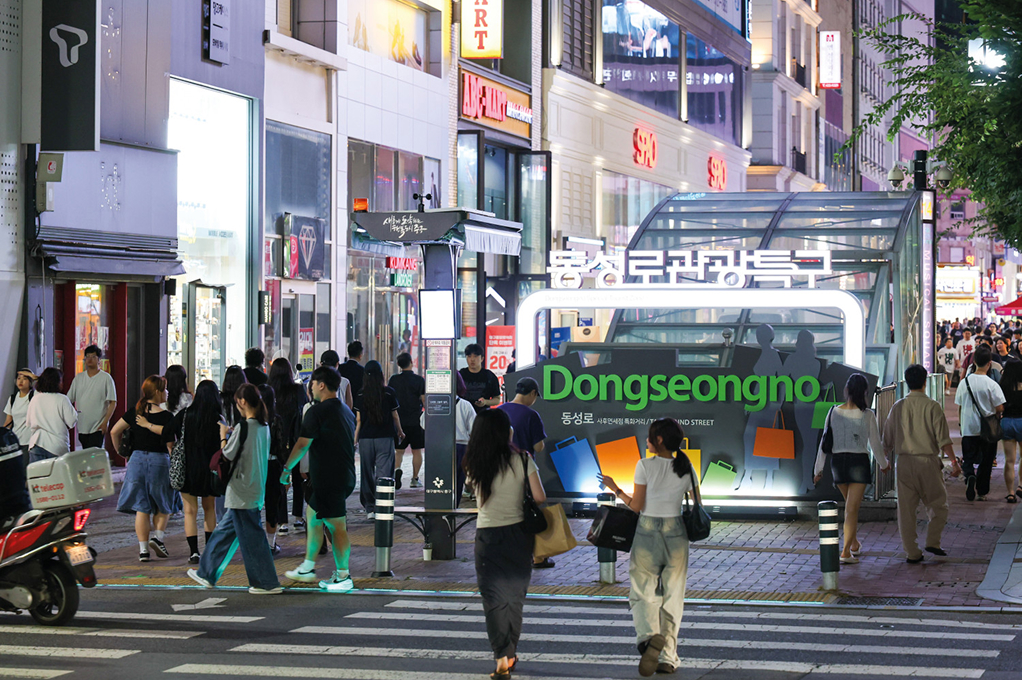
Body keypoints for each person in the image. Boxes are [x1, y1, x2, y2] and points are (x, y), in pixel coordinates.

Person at [597, 418, 697, 677]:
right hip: (677, 533)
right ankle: (667, 658)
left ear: (660, 440)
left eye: (650, 436)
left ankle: (648, 638)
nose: (646, 440)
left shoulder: (644, 466)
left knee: (642, 591)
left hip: (648, 531)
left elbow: (636, 506)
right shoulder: (687, 468)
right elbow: (698, 505)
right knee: (673, 597)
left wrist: (615, 488)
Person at [462, 409, 547, 679]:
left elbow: (472, 491)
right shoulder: (523, 460)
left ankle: (501, 658)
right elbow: (540, 497)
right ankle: (510, 653)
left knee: (493, 600)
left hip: (487, 538)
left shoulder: (474, 464)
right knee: (514, 600)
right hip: (519, 537)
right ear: (505, 432)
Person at [187, 383, 281, 594]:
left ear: (242, 402)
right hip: (254, 488)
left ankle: (266, 583)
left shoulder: (243, 427)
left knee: (252, 539)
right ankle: (207, 573)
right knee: (224, 533)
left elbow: (226, 456)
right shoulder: (264, 426)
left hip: (241, 490)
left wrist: (223, 435)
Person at [280, 366, 357, 590]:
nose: (310, 387)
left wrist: (286, 470)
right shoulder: (345, 410)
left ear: (321, 385)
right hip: (342, 474)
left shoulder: (316, 411)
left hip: (329, 476)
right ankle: (307, 567)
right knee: (313, 516)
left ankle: (344, 576)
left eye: (312, 383)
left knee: (336, 526)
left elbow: (303, 443)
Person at [883, 364, 960, 561]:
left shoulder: (897, 406)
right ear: (925, 382)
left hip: (904, 463)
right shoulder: (933, 406)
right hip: (928, 462)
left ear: (906, 382)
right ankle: (933, 541)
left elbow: (887, 440)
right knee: (939, 505)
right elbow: (943, 440)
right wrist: (954, 461)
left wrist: (884, 461)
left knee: (906, 511)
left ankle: (912, 553)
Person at [812, 374, 889, 564]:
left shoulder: (832, 412)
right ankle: (845, 552)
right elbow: (875, 443)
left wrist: (818, 471)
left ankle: (854, 544)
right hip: (858, 463)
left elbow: (824, 443)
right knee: (852, 509)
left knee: (850, 507)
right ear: (864, 392)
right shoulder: (868, 414)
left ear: (846, 390)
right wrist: (884, 464)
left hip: (838, 464)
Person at [111, 375, 176, 562]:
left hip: (136, 460)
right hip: (159, 461)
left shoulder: (135, 412)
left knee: (142, 506)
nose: (167, 392)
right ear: (157, 392)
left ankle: (143, 551)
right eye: (165, 389)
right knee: (164, 503)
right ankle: (158, 538)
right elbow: (170, 442)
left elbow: (115, 431)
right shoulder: (166, 416)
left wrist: (121, 452)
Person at [163, 380, 223, 564]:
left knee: (189, 511)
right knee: (209, 509)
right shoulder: (218, 417)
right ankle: (210, 551)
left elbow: (167, 432)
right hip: (210, 470)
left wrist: (172, 450)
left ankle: (194, 552)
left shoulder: (185, 414)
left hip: (188, 468)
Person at [497, 376, 552, 568]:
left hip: (500, 470)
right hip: (524, 470)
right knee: (529, 512)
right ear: (532, 393)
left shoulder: (500, 410)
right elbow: (538, 447)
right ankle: (537, 556)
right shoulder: (531, 415)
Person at [354, 360, 403, 519]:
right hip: (385, 437)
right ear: (381, 375)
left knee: (366, 472)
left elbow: (359, 421)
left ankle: (370, 508)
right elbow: (395, 416)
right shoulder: (389, 393)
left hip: (366, 439)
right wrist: (400, 432)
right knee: (384, 473)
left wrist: (355, 439)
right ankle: (384, 505)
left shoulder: (361, 394)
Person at [956, 345, 1005, 502]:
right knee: (986, 461)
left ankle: (970, 475)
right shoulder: (991, 384)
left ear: (974, 362)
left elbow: (960, 405)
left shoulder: (964, 383)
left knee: (968, 457)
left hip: (968, 427)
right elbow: (999, 407)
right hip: (987, 429)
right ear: (989, 363)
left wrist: (961, 424)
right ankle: (981, 492)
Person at [269, 358, 310, 535]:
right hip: (295, 438)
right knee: (299, 479)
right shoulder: (298, 389)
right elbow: (304, 410)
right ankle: (299, 518)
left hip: (276, 440)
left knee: (280, 479)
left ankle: (282, 522)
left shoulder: (269, 391)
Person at [67, 345, 117, 450]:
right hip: (82, 425)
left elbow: (113, 402)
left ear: (99, 360)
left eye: (93, 357)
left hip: (98, 425)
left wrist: (105, 422)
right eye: (87, 356)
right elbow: (68, 400)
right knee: (85, 454)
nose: (90, 359)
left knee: (94, 455)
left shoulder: (106, 378)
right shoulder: (78, 378)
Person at [257, 383, 288, 555]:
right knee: (272, 505)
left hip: (256, 466)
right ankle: (270, 543)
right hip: (273, 465)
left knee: (254, 505)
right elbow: (282, 446)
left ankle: (256, 541)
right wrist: (286, 470)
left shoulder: (251, 421)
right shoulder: (276, 420)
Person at [389, 353, 425, 489]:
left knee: (399, 450)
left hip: (399, 421)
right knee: (417, 451)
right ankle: (415, 479)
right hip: (416, 420)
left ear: (398, 364)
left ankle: (397, 469)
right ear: (411, 362)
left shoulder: (394, 380)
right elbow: (423, 400)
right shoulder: (419, 380)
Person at [25, 368, 77, 463]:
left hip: (36, 443)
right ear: (56, 382)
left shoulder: (35, 399)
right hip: (57, 446)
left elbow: (28, 422)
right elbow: (72, 422)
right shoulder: (62, 399)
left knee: (37, 477)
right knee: (57, 477)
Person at [1001, 360, 1022, 503]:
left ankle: (1010, 493)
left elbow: (999, 406)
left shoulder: (1002, 386)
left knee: (1009, 460)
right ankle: (1021, 485)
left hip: (1007, 422)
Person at [4, 369, 36, 460]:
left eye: (25, 378)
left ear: (31, 382)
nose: (21, 381)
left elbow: (42, 383)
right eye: (19, 378)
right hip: (15, 441)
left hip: (30, 441)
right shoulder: (13, 398)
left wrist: (32, 376)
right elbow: (8, 421)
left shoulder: (34, 397)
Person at [460, 343, 501, 414]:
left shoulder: (489, 376)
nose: (472, 359)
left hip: (483, 414)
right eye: (469, 356)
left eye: (475, 356)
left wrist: (485, 402)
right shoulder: (461, 374)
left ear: (482, 358)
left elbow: (497, 399)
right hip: (463, 413)